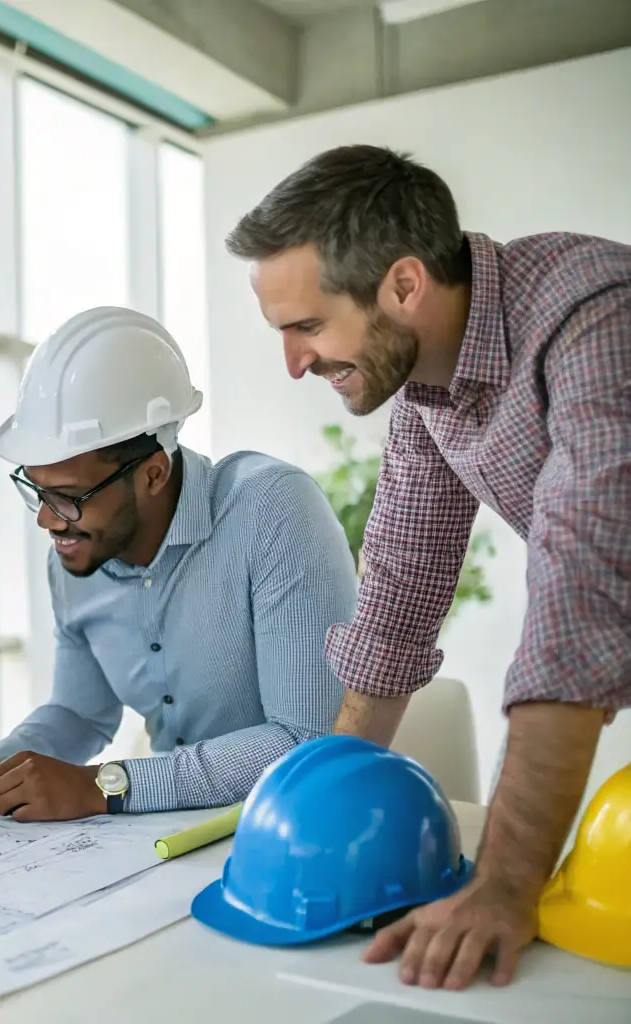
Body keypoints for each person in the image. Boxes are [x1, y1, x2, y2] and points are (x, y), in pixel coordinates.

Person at [224, 144, 631, 990]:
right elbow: (397, 602)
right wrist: (307, 827)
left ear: (404, 285)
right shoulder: (426, 391)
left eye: (307, 325)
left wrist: (505, 888)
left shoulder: (596, 317)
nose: (293, 364)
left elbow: (580, 597)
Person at [0, 307, 357, 823]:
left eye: (66, 496)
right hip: (168, 840)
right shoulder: (76, 551)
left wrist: (107, 785)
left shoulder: (272, 511)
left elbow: (304, 739)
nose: (46, 519)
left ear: (153, 474)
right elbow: (80, 713)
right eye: (36, 491)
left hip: (301, 832)